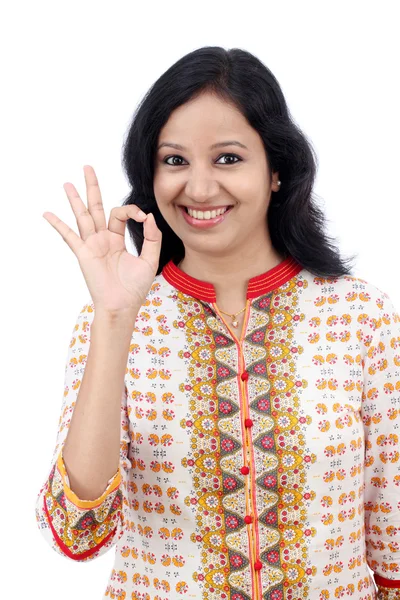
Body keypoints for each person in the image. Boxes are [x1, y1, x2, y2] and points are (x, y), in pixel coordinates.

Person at [35, 46, 400, 600]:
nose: (200, 189)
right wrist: (115, 319)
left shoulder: (359, 319)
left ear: (277, 170)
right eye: (175, 160)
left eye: (228, 158)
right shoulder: (113, 322)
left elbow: (392, 534)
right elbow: (77, 532)